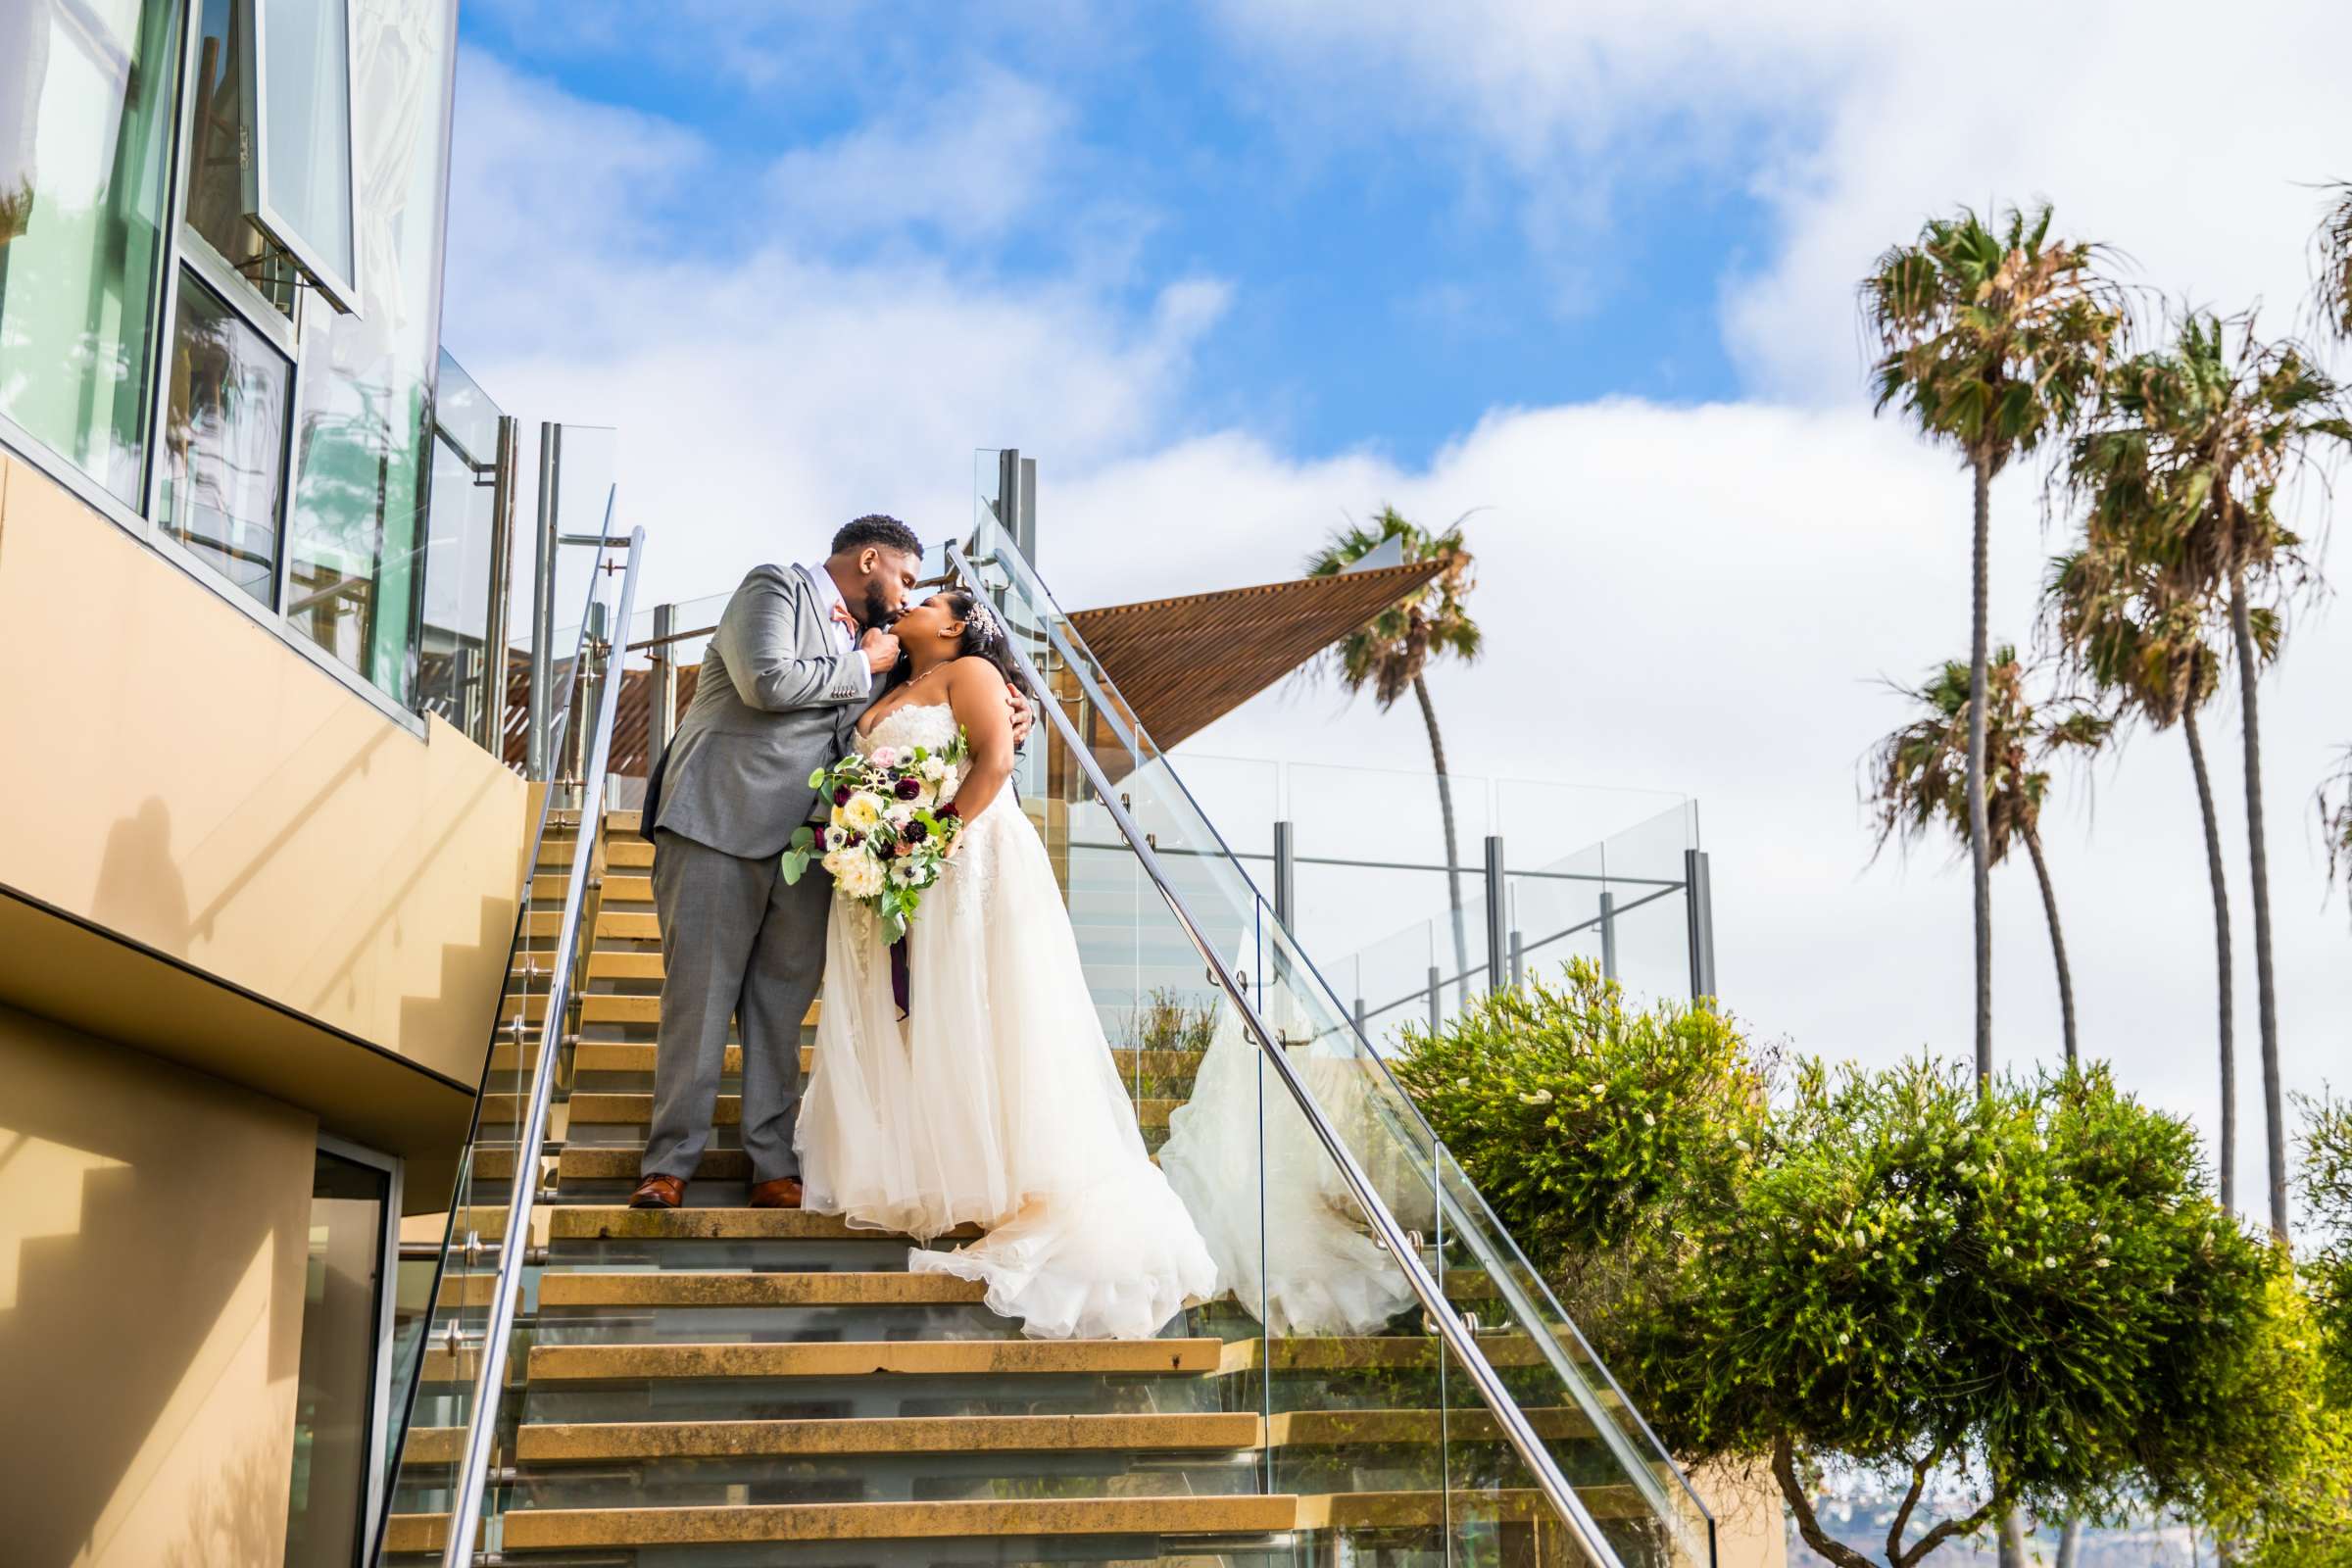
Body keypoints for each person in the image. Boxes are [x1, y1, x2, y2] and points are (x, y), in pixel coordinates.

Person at [796, 589, 1218, 1340]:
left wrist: (929, 834)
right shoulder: (886, 684)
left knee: (981, 1002)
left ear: (955, 625)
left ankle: (1004, 1169)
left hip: (963, 857)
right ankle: (933, 1163)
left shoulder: (976, 676)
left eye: (926, 601)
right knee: (920, 1012)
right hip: (890, 871)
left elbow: (992, 763)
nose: (908, 607)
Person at [631, 517, 1029, 1211]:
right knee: (698, 1002)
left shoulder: (888, 648)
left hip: (815, 850)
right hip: (717, 821)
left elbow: (947, 699)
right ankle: (669, 1163)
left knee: (783, 1009)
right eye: (905, 578)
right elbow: (766, 682)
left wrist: (1018, 713)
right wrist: (868, 663)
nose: (908, 596)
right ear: (869, 559)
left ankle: (772, 1164)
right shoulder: (774, 588)